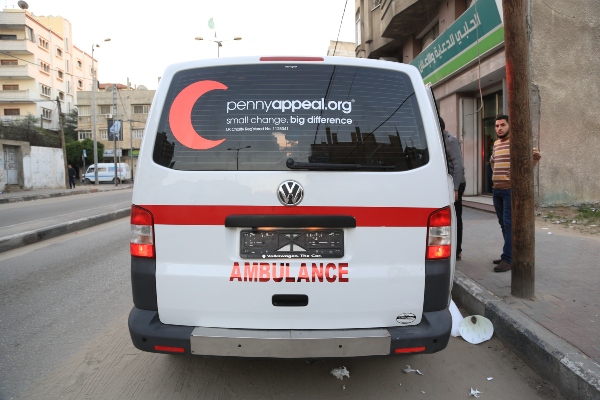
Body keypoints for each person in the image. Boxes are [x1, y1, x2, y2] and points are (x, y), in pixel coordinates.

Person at [490, 115, 541, 272]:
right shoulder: (496, 144)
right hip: (496, 190)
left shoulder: (517, 143)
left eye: (503, 125)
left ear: (510, 125)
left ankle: (508, 258)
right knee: (503, 224)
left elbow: (535, 156)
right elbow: (492, 161)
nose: (499, 128)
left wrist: (513, 177)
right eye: (497, 125)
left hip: (508, 191)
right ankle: (509, 252)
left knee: (508, 224)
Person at [440, 118, 466, 260]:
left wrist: (455, 189)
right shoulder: (441, 141)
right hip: (448, 184)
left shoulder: (451, 141)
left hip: (456, 184)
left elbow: (459, 166)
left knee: (456, 218)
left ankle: (457, 251)